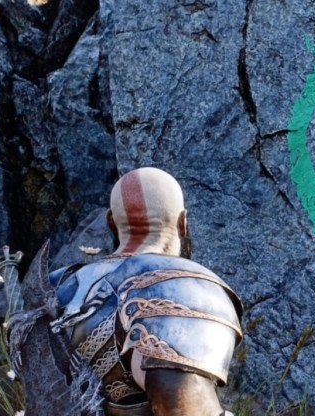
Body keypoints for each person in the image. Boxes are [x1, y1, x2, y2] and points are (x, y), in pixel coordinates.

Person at [48, 167, 242, 416]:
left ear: (111, 222)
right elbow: (184, 410)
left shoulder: (56, 286)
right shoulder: (181, 288)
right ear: (183, 223)